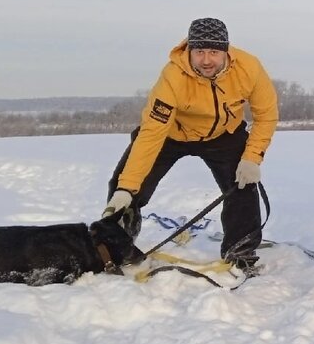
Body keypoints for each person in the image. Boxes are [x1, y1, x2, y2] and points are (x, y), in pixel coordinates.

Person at [103, 18, 277, 274]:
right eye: (200, 52)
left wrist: (252, 158)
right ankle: (114, 250)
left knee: (243, 188)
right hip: (171, 135)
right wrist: (127, 188)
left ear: (226, 51)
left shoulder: (249, 67)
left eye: (214, 52)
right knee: (125, 188)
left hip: (223, 135)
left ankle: (240, 254)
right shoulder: (173, 76)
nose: (206, 60)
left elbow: (266, 116)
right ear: (189, 51)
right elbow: (151, 133)